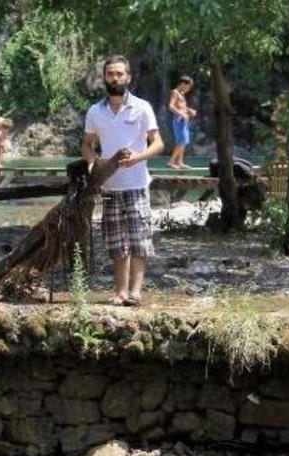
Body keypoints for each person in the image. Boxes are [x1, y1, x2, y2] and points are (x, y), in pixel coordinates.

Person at [82, 55, 164, 307]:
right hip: (109, 187)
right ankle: (120, 292)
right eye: (110, 74)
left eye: (119, 74)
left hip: (137, 185)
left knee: (139, 240)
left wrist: (138, 157)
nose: (115, 78)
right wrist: (92, 164)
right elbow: (87, 145)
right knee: (116, 242)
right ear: (104, 78)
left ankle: (136, 293)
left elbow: (159, 144)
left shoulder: (142, 107)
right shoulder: (95, 111)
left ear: (128, 77)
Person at [167, 76, 196, 169]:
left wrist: (189, 110)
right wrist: (181, 114)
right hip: (179, 120)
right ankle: (171, 162)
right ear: (183, 84)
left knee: (184, 141)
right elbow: (171, 106)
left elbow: (181, 106)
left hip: (184, 121)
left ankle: (179, 162)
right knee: (181, 141)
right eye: (188, 87)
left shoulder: (182, 93)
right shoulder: (175, 92)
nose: (189, 89)